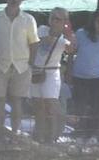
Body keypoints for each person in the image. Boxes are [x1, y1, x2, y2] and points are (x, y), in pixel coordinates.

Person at [0, 0, 40, 137]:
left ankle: (16, 134)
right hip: (0, 65)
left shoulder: (28, 19)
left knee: (17, 102)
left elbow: (34, 43)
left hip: (21, 66)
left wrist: (31, 64)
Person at [30, 8, 74, 145]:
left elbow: (71, 50)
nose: (55, 21)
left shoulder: (66, 38)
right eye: (54, 18)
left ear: (65, 21)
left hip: (52, 72)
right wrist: (59, 35)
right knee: (38, 104)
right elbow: (43, 42)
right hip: (37, 71)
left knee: (51, 104)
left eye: (59, 19)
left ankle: (53, 136)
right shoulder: (42, 29)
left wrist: (68, 36)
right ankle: (39, 135)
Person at [71, 11, 99, 142]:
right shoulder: (81, 34)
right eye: (98, 21)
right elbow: (72, 53)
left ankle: (93, 135)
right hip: (79, 76)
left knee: (96, 107)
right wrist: (68, 72)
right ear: (92, 21)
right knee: (80, 106)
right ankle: (79, 134)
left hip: (97, 78)